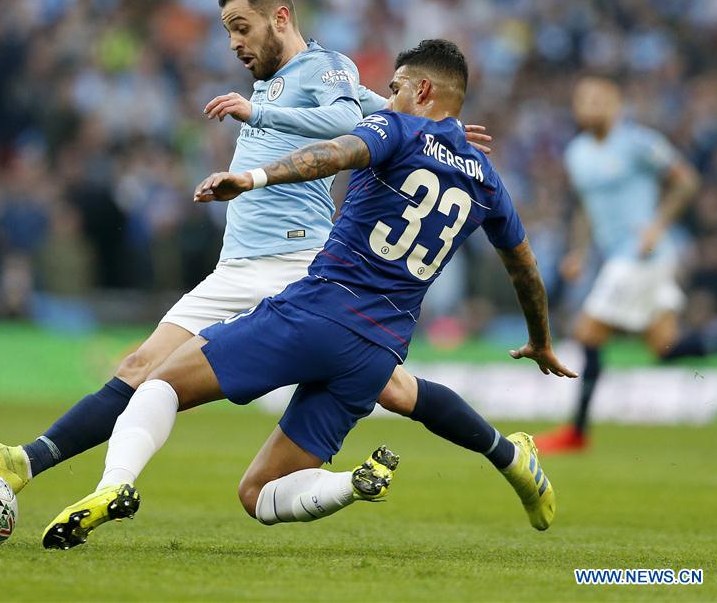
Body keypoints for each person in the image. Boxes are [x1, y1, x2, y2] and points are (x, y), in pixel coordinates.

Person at [0, 0, 496, 498]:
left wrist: (258, 112)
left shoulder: (323, 66)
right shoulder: (287, 83)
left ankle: (505, 452)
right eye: (228, 30)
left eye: (242, 26)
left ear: (280, 18)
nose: (233, 42)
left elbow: (343, 121)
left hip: (295, 261)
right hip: (238, 267)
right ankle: (26, 461)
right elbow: (383, 113)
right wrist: (433, 129)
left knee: (392, 387)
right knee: (140, 368)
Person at [39, 39, 576, 549]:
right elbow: (525, 268)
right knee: (257, 494)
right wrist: (541, 340)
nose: (385, 98)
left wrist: (252, 178)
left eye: (394, 87)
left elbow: (338, 152)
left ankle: (114, 484)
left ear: (422, 92)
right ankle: (352, 484)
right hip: (377, 351)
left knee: (159, 384)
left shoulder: (396, 129)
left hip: (316, 314)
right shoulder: (486, 177)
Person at [536, 76, 717, 454]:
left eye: (597, 99)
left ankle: (577, 432)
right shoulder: (576, 152)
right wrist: (578, 251)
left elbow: (686, 181)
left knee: (587, 331)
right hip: (621, 258)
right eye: (583, 99)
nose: (589, 106)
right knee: (666, 347)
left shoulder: (638, 142)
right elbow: (585, 208)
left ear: (615, 104)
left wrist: (658, 225)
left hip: (641, 257)